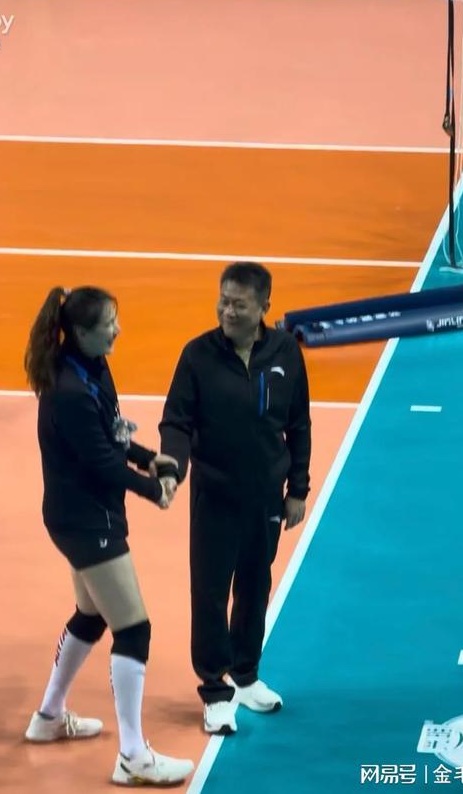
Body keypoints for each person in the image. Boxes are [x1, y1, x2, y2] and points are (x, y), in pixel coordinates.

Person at [24, 285, 193, 787]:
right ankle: (133, 756)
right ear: (81, 332)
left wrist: (149, 458)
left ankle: (48, 717)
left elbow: (113, 432)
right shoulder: (69, 392)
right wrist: (153, 489)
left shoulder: (92, 367)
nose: (117, 330)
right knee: (133, 628)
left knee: (92, 613)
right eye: (108, 324)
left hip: (80, 516)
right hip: (85, 521)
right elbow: (100, 461)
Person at [159, 261, 312, 735]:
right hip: (215, 497)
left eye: (239, 304)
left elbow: (299, 423)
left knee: (255, 586)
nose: (227, 311)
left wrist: (298, 489)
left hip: (266, 498)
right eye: (223, 301)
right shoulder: (197, 355)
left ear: (264, 306)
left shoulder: (286, 351)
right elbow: (176, 421)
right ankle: (214, 690)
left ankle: (245, 676)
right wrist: (172, 468)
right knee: (209, 593)